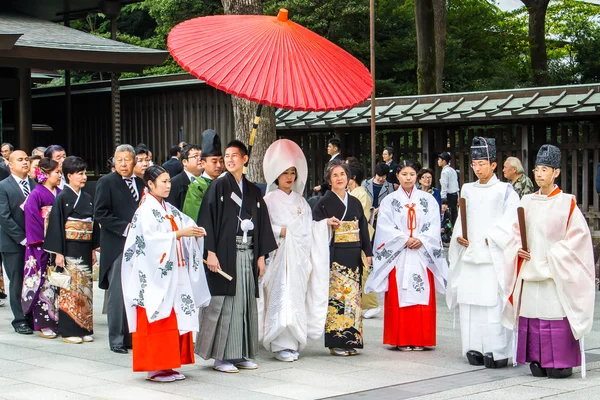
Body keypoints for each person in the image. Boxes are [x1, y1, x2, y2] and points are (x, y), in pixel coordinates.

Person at [504, 145, 594, 379]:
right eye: (537, 170)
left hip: (555, 272)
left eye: (545, 170)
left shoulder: (567, 203)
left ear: (556, 173)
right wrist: (518, 249)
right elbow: (515, 233)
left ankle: (561, 362)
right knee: (533, 313)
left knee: (555, 313)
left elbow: (579, 239)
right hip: (530, 269)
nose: (540, 174)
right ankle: (537, 359)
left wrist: (554, 256)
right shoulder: (526, 201)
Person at [121, 165, 211, 382]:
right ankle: (155, 367)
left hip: (174, 272)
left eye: (169, 181)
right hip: (156, 275)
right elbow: (150, 241)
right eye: (163, 182)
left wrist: (195, 232)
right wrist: (180, 234)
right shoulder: (144, 210)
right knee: (159, 317)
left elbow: (186, 223)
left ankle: (169, 365)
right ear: (150, 185)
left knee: (176, 317)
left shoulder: (168, 208)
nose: (168, 185)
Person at [195, 140, 277, 373]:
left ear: (245, 159)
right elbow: (206, 219)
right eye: (226, 156)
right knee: (225, 303)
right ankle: (222, 357)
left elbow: (262, 224)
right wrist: (210, 252)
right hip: (224, 254)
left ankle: (241, 354)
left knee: (244, 304)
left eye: (234, 156)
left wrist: (261, 256)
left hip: (248, 252)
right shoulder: (218, 187)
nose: (229, 160)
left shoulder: (253, 190)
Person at [447, 137, 519, 368]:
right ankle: (473, 346)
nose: (478, 169)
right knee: (470, 303)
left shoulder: (506, 191)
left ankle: (497, 351)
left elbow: (513, 221)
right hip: (470, 256)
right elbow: (461, 220)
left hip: (492, 256)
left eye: (482, 164)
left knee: (492, 304)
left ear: (494, 165)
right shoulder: (467, 189)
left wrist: (494, 238)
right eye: (474, 164)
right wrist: (460, 237)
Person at [366, 161, 447, 351]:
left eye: (412, 174)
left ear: (417, 176)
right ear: (397, 176)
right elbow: (385, 227)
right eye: (404, 174)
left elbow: (434, 224)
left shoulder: (428, 200)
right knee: (398, 294)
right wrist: (404, 239)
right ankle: (400, 338)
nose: (408, 178)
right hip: (399, 254)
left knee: (422, 293)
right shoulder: (389, 201)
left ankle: (421, 339)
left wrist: (421, 238)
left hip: (421, 253)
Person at [259, 139, 324, 362]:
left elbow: (309, 228)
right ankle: (279, 343)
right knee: (280, 296)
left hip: (297, 259)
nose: (289, 177)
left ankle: (294, 340)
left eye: (292, 172)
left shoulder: (301, 202)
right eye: (285, 172)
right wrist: (280, 231)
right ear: (276, 174)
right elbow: (263, 227)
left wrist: (325, 226)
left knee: (295, 296)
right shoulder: (267, 200)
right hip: (278, 257)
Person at [312, 160, 373, 356]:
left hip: (354, 255)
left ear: (349, 178)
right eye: (335, 175)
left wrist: (368, 252)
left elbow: (363, 227)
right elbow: (312, 227)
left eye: (342, 175)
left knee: (353, 299)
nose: (339, 178)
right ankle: (336, 341)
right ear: (329, 180)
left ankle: (351, 339)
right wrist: (326, 223)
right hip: (335, 255)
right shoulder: (323, 202)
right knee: (337, 299)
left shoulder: (354, 201)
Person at [94, 144, 145, 354]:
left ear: (134, 161)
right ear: (114, 162)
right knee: (117, 293)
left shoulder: (141, 183)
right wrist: (125, 228)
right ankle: (116, 338)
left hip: (138, 246)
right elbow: (100, 213)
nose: (123, 164)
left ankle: (131, 335)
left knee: (134, 291)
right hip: (117, 244)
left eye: (127, 159)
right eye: (119, 160)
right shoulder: (106, 182)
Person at [45, 156, 99, 344]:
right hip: (68, 247)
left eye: (85, 173)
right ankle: (69, 330)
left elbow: (93, 224)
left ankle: (84, 327)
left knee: (85, 289)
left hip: (84, 246)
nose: (84, 177)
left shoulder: (88, 198)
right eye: (80, 174)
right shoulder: (62, 198)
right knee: (70, 288)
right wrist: (58, 253)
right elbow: (56, 226)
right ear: (69, 176)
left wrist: (93, 248)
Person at [21, 157, 62, 339]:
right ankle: (45, 323)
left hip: (59, 246)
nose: (60, 175)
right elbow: (32, 220)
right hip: (41, 246)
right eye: (57, 172)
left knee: (59, 283)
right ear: (45, 175)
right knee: (43, 284)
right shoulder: (36, 195)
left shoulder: (61, 193)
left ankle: (59, 320)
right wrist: (46, 241)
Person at [0, 150, 36, 334]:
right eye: (20, 160)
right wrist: (22, 238)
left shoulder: (34, 184)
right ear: (10, 165)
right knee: (17, 280)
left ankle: (31, 315)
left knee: (33, 279)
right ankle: (19, 319)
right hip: (13, 243)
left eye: (26, 159)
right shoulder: (3, 186)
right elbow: (4, 216)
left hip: (34, 242)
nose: (24, 162)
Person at [346, 161, 380, 319]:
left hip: (359, 235)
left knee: (363, 270)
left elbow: (362, 218)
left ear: (352, 177)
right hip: (350, 235)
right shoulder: (353, 193)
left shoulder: (361, 194)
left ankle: (372, 304)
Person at [182, 130, 223, 221]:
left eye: (221, 161)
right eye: (214, 161)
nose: (219, 165)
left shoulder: (225, 183)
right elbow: (194, 217)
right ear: (203, 163)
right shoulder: (197, 186)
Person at [166, 144, 202, 211]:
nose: (200, 159)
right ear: (185, 162)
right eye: (196, 156)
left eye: (201, 156)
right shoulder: (174, 184)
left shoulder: (208, 181)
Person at [437, 152, 459, 225]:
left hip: (448, 196)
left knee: (448, 215)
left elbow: (444, 186)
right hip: (455, 194)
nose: (438, 161)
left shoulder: (444, 172)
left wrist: (442, 197)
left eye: (439, 159)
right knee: (454, 213)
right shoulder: (452, 170)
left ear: (444, 161)